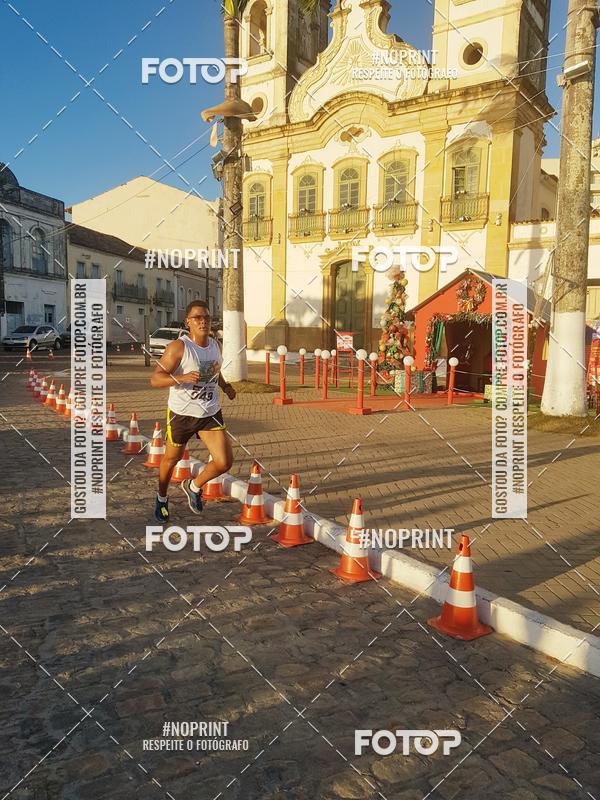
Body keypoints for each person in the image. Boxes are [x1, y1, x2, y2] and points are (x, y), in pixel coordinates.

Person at [149, 300, 236, 522]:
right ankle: (161, 498)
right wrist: (181, 378)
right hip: (182, 414)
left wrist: (225, 386)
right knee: (172, 458)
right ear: (188, 322)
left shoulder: (216, 345)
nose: (203, 321)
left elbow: (213, 370)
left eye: (206, 317)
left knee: (224, 461)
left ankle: (194, 486)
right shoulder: (179, 347)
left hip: (209, 412)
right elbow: (155, 379)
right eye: (198, 317)